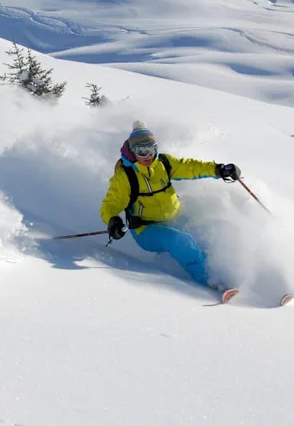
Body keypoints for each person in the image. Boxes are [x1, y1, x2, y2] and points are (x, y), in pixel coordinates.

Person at [100, 121, 242, 301]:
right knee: (180, 241)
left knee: (208, 231)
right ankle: (212, 281)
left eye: (151, 149)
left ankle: (234, 274)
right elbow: (110, 205)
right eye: (142, 152)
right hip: (146, 230)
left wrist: (218, 169)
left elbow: (191, 167)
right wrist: (113, 221)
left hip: (173, 217)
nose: (148, 156)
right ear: (133, 152)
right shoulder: (125, 177)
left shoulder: (164, 163)